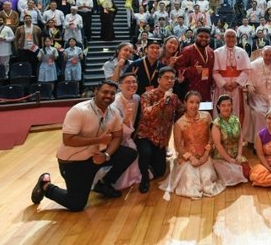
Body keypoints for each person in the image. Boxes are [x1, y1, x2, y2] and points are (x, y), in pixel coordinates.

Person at [30, 81, 138, 212]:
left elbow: (117, 137)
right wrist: (99, 140)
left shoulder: (113, 112)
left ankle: (104, 183)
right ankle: (45, 185)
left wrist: (106, 155)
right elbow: (68, 140)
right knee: (76, 204)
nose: (108, 95)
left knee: (129, 153)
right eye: (105, 92)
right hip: (73, 161)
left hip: (96, 157)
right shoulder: (79, 110)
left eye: (112, 93)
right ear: (96, 91)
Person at [135, 67, 183, 193]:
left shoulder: (174, 97)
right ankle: (144, 178)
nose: (170, 81)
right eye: (166, 78)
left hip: (161, 140)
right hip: (145, 135)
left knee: (160, 171)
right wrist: (163, 100)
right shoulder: (147, 95)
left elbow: (182, 110)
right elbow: (147, 113)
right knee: (146, 153)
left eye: (172, 78)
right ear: (158, 79)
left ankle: (147, 168)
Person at [171, 90, 225, 198]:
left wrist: (205, 155)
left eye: (197, 103)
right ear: (185, 103)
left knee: (207, 180)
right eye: (191, 102)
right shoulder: (179, 123)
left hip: (204, 154)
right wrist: (191, 158)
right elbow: (178, 146)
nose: (194, 105)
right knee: (191, 183)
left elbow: (211, 137)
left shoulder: (206, 116)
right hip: (188, 157)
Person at [212, 29, 251, 123]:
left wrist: (237, 83)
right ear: (224, 38)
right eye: (228, 36)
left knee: (236, 109)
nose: (231, 39)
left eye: (233, 36)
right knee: (221, 108)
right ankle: (220, 131)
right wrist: (224, 83)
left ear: (236, 38)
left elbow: (247, 70)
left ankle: (236, 132)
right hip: (222, 87)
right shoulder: (216, 52)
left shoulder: (242, 52)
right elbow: (214, 72)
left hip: (236, 87)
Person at [110, 73, 141, 190]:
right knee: (131, 151)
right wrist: (126, 120)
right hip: (115, 137)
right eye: (128, 82)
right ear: (120, 85)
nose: (132, 85)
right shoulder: (115, 103)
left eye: (134, 82)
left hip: (128, 135)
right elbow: (113, 128)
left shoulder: (136, 98)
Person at [211, 94, 249, 186]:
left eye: (229, 105)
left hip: (236, 154)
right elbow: (218, 145)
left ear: (232, 106)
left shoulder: (236, 119)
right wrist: (230, 160)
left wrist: (239, 155)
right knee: (234, 176)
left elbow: (240, 139)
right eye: (223, 106)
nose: (226, 108)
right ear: (218, 107)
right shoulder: (216, 123)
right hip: (221, 157)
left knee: (247, 172)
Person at [175, 27, 215, 102]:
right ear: (195, 36)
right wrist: (193, 70)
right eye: (201, 36)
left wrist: (213, 81)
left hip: (206, 92)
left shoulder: (211, 52)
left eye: (206, 37)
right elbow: (178, 70)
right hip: (190, 91)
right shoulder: (187, 51)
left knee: (206, 113)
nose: (204, 39)